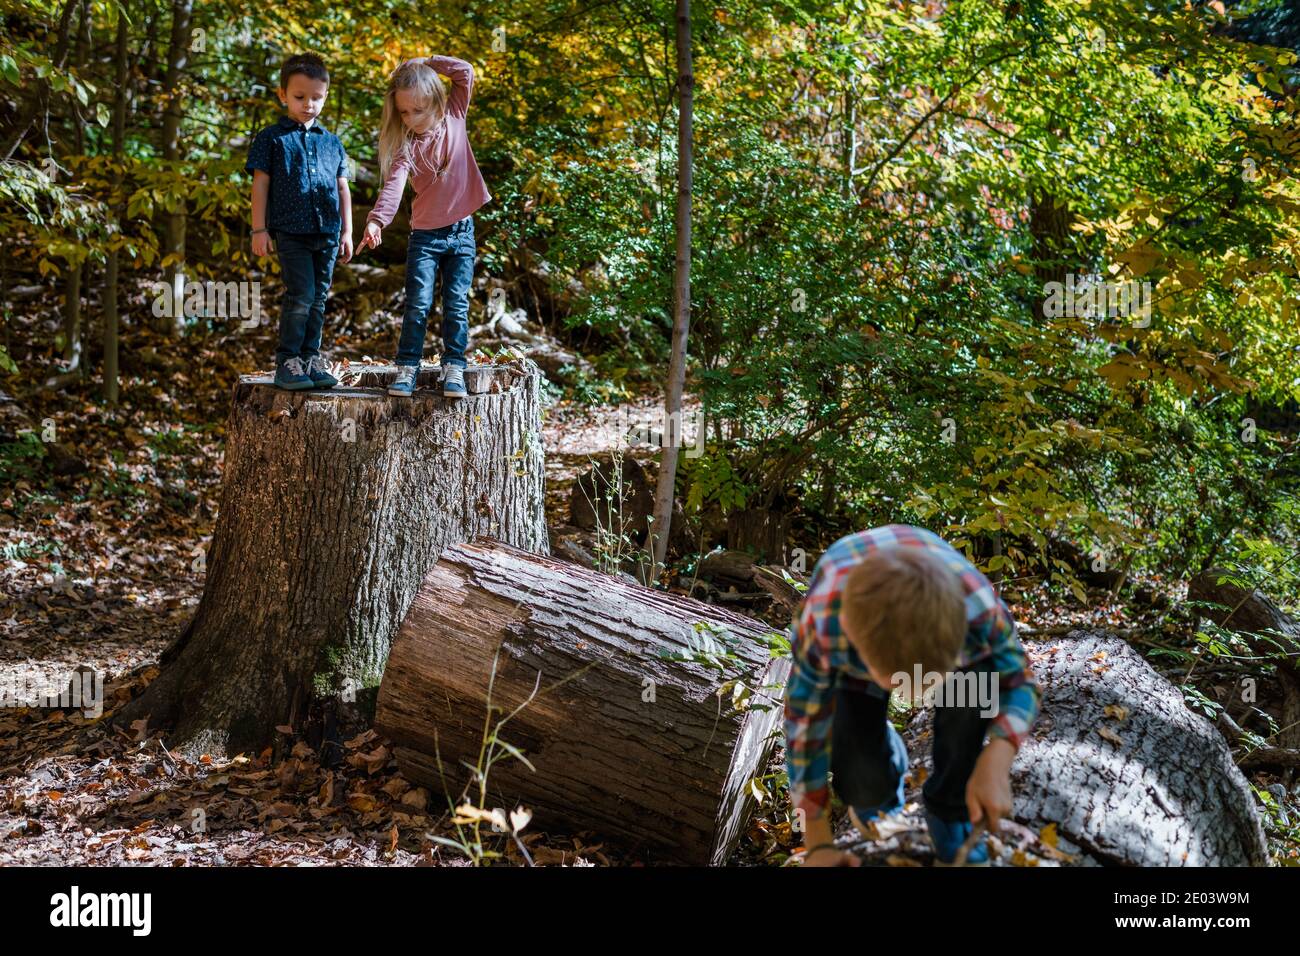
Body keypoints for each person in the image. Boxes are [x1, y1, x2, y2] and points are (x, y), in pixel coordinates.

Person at [785, 524, 1040, 866]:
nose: (912, 691)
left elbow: (1021, 682)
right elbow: (805, 724)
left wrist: (998, 754)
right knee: (861, 773)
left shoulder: (978, 609)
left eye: (924, 680)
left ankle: (950, 809)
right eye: (897, 681)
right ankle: (880, 775)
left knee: (977, 684)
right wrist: (816, 843)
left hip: (951, 630)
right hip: (853, 632)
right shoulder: (824, 625)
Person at [359, 55, 492, 399]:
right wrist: (376, 220)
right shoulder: (406, 148)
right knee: (418, 303)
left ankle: (454, 366)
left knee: (457, 303)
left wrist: (427, 61)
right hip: (425, 238)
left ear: (436, 102)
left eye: (418, 110)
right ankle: (407, 366)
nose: (411, 119)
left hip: (462, 234)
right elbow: (393, 187)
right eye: (404, 113)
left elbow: (465, 72)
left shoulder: (456, 117)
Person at [246, 53, 353, 390]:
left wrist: (348, 231)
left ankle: (311, 358)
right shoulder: (272, 138)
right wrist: (259, 229)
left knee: (319, 298)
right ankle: (288, 360)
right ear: (283, 95)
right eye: (300, 97)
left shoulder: (332, 142)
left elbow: (342, 188)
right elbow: (260, 184)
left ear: (326, 96)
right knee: (301, 295)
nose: (308, 105)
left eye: (316, 98)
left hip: (328, 232)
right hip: (291, 232)